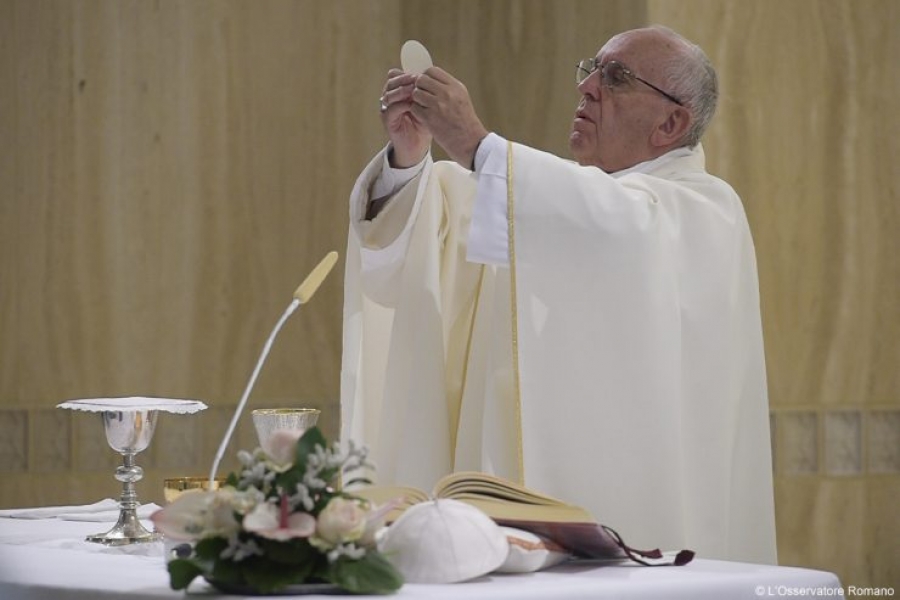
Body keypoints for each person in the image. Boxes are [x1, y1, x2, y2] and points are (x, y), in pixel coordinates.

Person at [340, 25, 777, 564]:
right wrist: (408, 160)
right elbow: (440, 232)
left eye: (615, 77)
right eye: (591, 70)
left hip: (639, 527)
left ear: (671, 123)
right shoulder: (542, 200)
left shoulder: (703, 209)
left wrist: (475, 142)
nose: (587, 87)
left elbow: (617, 230)